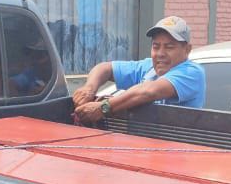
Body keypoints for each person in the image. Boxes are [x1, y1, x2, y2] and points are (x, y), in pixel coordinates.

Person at [71, 16, 205, 124]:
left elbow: (148, 91)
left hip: (174, 147)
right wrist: (89, 89)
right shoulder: (147, 67)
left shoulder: (192, 73)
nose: (160, 53)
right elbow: (105, 68)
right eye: (156, 46)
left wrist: (104, 108)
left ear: (187, 50)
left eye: (169, 47)